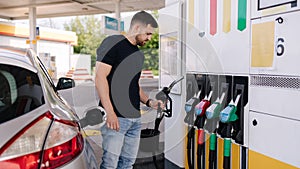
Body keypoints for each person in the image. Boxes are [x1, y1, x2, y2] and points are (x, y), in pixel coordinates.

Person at [95, 11, 161, 169]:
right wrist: (110, 113)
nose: (149, 38)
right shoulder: (112, 43)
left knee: (128, 164)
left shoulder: (138, 55)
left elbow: (134, 85)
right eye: (148, 33)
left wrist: (149, 101)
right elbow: (100, 78)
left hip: (135, 119)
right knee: (110, 164)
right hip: (116, 118)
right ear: (137, 27)